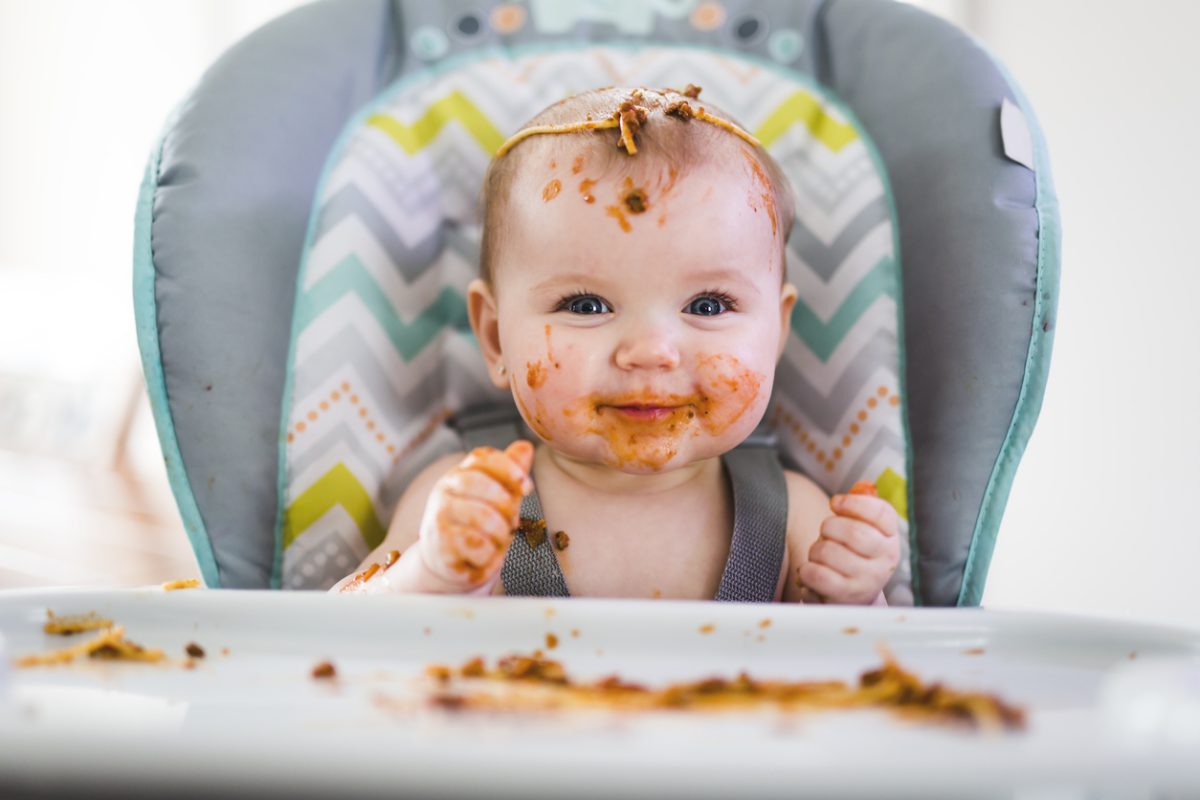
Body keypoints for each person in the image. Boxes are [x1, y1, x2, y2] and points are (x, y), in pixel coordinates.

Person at [331, 86, 900, 603]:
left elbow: (873, 679)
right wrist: (431, 575)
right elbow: (336, 636)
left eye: (707, 306)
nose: (651, 351)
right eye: (585, 306)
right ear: (493, 336)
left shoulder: (795, 515)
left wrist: (854, 596)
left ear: (776, 331)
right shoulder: (467, 504)